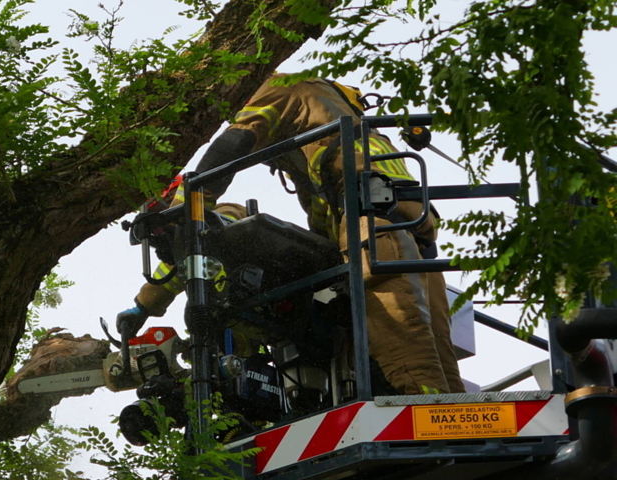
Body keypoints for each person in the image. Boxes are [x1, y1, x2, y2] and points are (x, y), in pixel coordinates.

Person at [117, 73, 464, 396]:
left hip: (371, 217)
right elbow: (319, 210)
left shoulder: (274, 89)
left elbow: (233, 144)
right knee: (433, 333)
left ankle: (427, 411)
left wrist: (183, 210)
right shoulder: (326, 118)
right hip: (412, 219)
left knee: (395, 322)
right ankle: (457, 410)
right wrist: (142, 306)